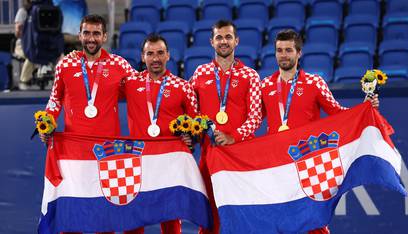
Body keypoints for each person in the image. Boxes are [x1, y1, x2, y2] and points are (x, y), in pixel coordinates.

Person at [260, 29, 379, 233]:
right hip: (277, 165)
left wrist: (364, 108)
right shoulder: (265, 85)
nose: (283, 55)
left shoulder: (314, 83)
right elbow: (253, 121)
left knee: (313, 220)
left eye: (289, 50)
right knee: (279, 220)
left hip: (307, 163)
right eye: (279, 50)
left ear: (299, 53)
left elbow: (338, 113)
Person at [41, 14, 135, 234]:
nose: (91, 38)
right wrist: (46, 123)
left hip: (107, 153)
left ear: (104, 36)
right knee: (73, 214)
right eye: (86, 33)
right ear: (79, 35)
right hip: (74, 155)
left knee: (106, 216)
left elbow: (142, 94)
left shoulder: (119, 64)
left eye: (96, 33)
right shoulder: (65, 64)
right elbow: (55, 100)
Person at [189, 20, 262, 234]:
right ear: (212, 42)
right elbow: (192, 114)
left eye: (228, 37)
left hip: (241, 157)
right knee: (209, 217)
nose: (224, 41)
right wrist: (196, 131)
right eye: (219, 37)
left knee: (242, 213)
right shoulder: (199, 74)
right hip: (210, 156)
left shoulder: (250, 76)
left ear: (236, 41)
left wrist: (233, 137)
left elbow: (256, 117)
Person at [122, 33, 198, 234]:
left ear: (168, 56)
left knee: (171, 220)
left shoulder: (184, 87)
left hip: (169, 163)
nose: (155, 58)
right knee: (133, 219)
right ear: (142, 57)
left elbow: (196, 121)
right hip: (138, 161)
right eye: (150, 53)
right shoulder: (130, 82)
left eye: (160, 53)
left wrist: (191, 137)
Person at [14, 0, 35, 90]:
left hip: (38, 44)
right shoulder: (22, 12)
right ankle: (24, 80)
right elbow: (17, 33)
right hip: (22, 45)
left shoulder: (41, 11)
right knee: (31, 55)